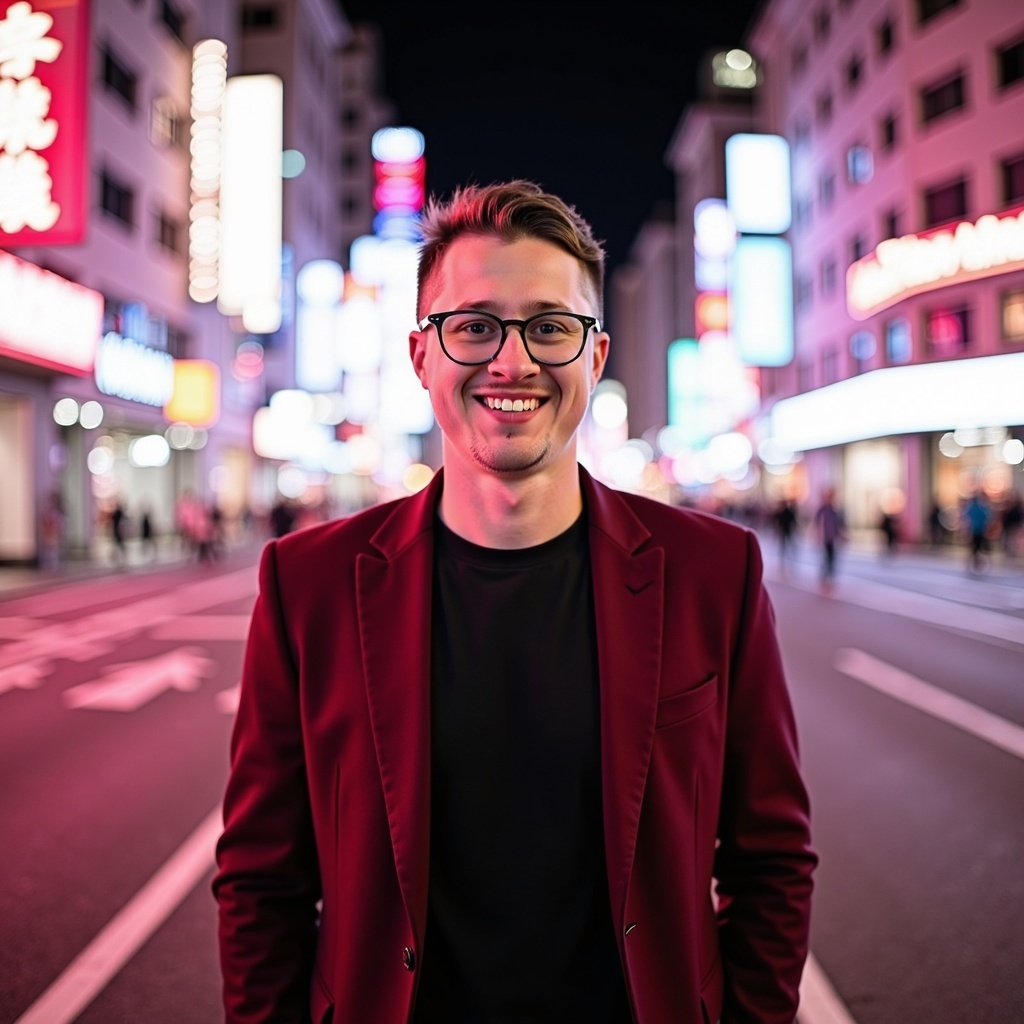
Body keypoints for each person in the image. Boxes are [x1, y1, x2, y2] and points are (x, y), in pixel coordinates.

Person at [213, 180, 816, 1024]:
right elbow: (261, 877)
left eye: (550, 326)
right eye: (473, 326)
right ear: (422, 356)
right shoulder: (307, 582)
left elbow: (771, 857)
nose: (513, 360)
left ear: (594, 356)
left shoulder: (714, 572)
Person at [814, 486, 844, 592]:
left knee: (832, 558)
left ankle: (829, 578)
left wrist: (841, 535)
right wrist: (817, 537)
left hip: (832, 538)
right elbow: (817, 524)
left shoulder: (835, 510)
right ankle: (824, 577)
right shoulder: (822, 511)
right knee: (826, 558)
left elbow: (839, 525)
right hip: (824, 538)